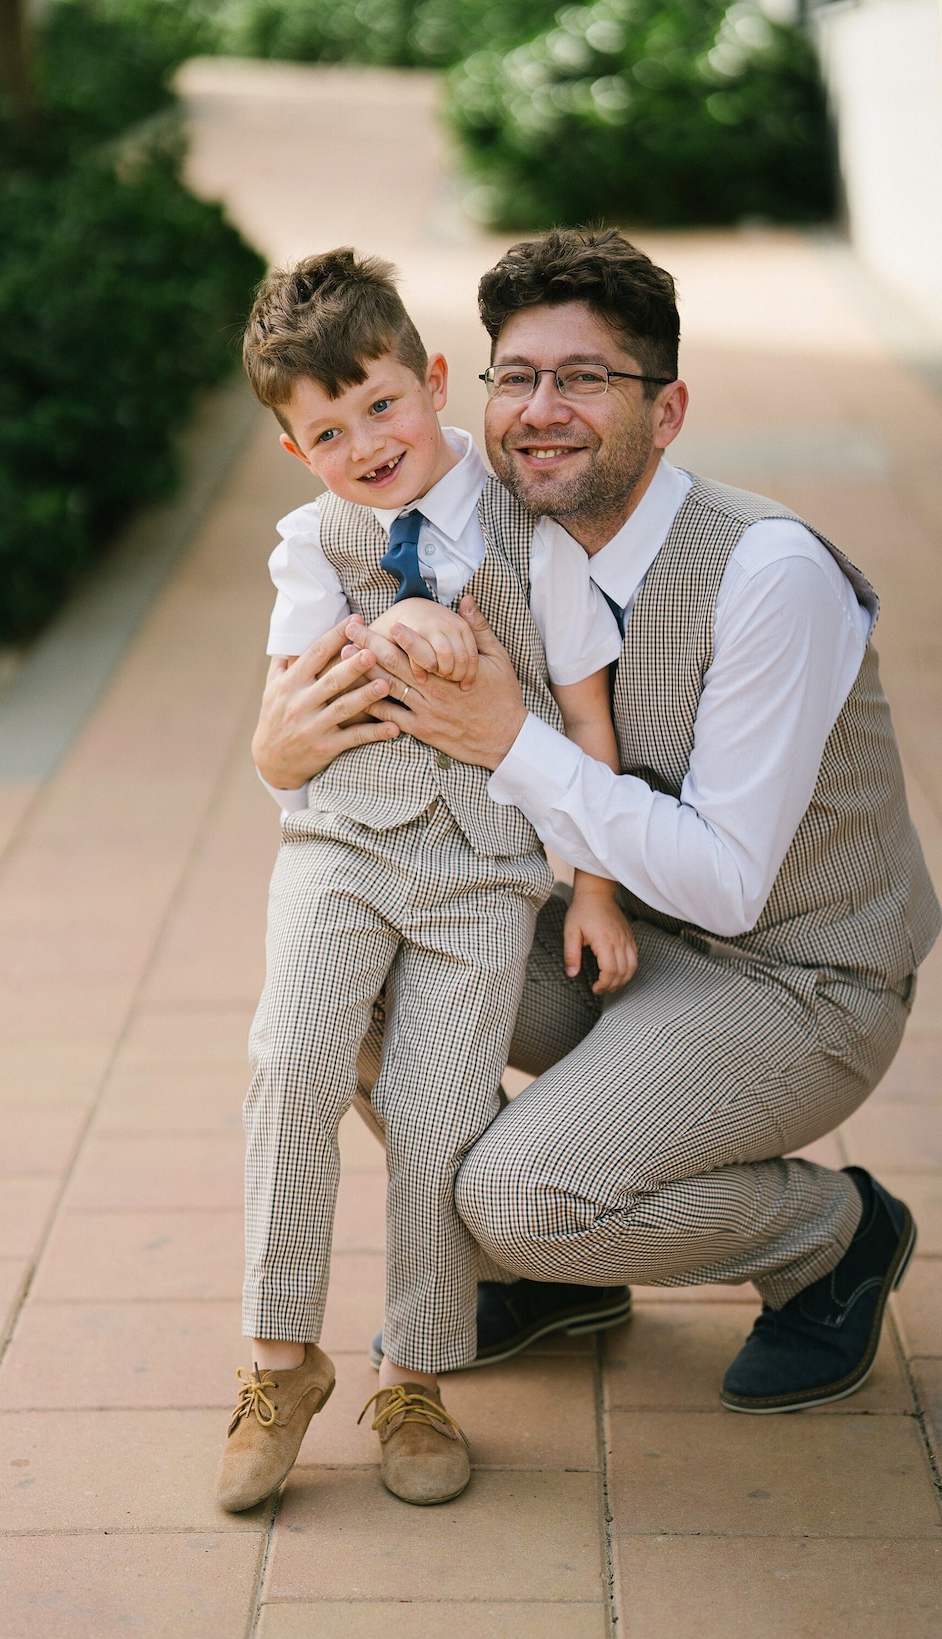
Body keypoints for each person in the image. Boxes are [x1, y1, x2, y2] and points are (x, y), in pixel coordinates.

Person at [257, 227, 940, 1416]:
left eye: (586, 379)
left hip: (788, 975)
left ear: (667, 412)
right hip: (608, 931)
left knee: (521, 1194)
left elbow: (728, 885)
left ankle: (830, 1235)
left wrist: (506, 738)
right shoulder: (496, 545)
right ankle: (561, 1273)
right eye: (516, 376)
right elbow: (329, 760)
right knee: (345, 981)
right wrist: (279, 758)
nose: (540, 410)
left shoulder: (767, 574)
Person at [217, 247, 635, 1514]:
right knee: (293, 1056)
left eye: (383, 404)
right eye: (328, 430)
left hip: (480, 876)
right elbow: (296, 697)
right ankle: (279, 1360)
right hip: (341, 846)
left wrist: (599, 887)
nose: (366, 442)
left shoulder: (530, 527)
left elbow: (585, 711)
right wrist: (393, 625)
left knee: (436, 1110)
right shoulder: (312, 540)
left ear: (434, 380)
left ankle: (414, 1376)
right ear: (298, 452)